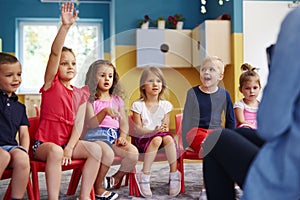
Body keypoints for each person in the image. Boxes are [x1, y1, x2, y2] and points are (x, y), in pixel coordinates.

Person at [202, 6, 300, 200]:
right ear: (241, 90)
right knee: (242, 133)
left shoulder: (296, 23)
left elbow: (269, 127)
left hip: (293, 179)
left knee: (216, 141)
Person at [33, 3, 102, 200]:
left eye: (73, 63)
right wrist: (65, 27)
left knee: (96, 149)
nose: (70, 66)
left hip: (66, 144)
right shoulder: (50, 84)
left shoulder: (81, 93)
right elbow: (55, 53)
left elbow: (78, 124)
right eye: (64, 63)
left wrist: (70, 147)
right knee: (55, 150)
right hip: (44, 145)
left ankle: (84, 196)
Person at [82, 59, 138, 199]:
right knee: (108, 153)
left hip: (114, 137)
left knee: (133, 154)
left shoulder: (117, 100)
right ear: (93, 78)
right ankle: (98, 188)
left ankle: (114, 179)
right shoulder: (90, 101)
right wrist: (104, 111)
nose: (107, 79)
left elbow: (124, 124)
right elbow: (92, 123)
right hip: (96, 137)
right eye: (102, 75)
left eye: (110, 76)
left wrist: (123, 137)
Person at [131, 66, 181, 198]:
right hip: (143, 139)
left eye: (158, 81)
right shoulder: (138, 105)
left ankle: (174, 174)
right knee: (157, 139)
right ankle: (145, 175)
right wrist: (152, 131)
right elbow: (138, 129)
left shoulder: (166, 105)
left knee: (168, 138)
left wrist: (161, 129)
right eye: (150, 81)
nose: (155, 84)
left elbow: (165, 127)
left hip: (161, 139)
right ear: (143, 86)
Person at [181, 55, 235, 153]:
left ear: (220, 76)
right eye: (203, 69)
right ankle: (208, 147)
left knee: (220, 140)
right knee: (204, 140)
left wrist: (231, 139)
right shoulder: (192, 93)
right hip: (196, 131)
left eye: (211, 69)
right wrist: (185, 143)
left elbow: (230, 119)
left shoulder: (224, 94)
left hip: (216, 132)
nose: (206, 72)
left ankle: (211, 149)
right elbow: (186, 119)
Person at [0, 52, 30, 199]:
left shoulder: (20, 107)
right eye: (9, 75)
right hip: (2, 152)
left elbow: (24, 132)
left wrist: (24, 150)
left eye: (18, 74)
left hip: (10, 147)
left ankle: (16, 198)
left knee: (22, 158)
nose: (16, 79)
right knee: (4, 156)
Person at [234, 63, 261, 129]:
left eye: (255, 88)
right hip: (246, 129)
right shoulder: (239, 105)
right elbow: (241, 121)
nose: (252, 91)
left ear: (260, 88)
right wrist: (253, 127)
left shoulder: (261, 105)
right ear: (241, 90)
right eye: (247, 88)